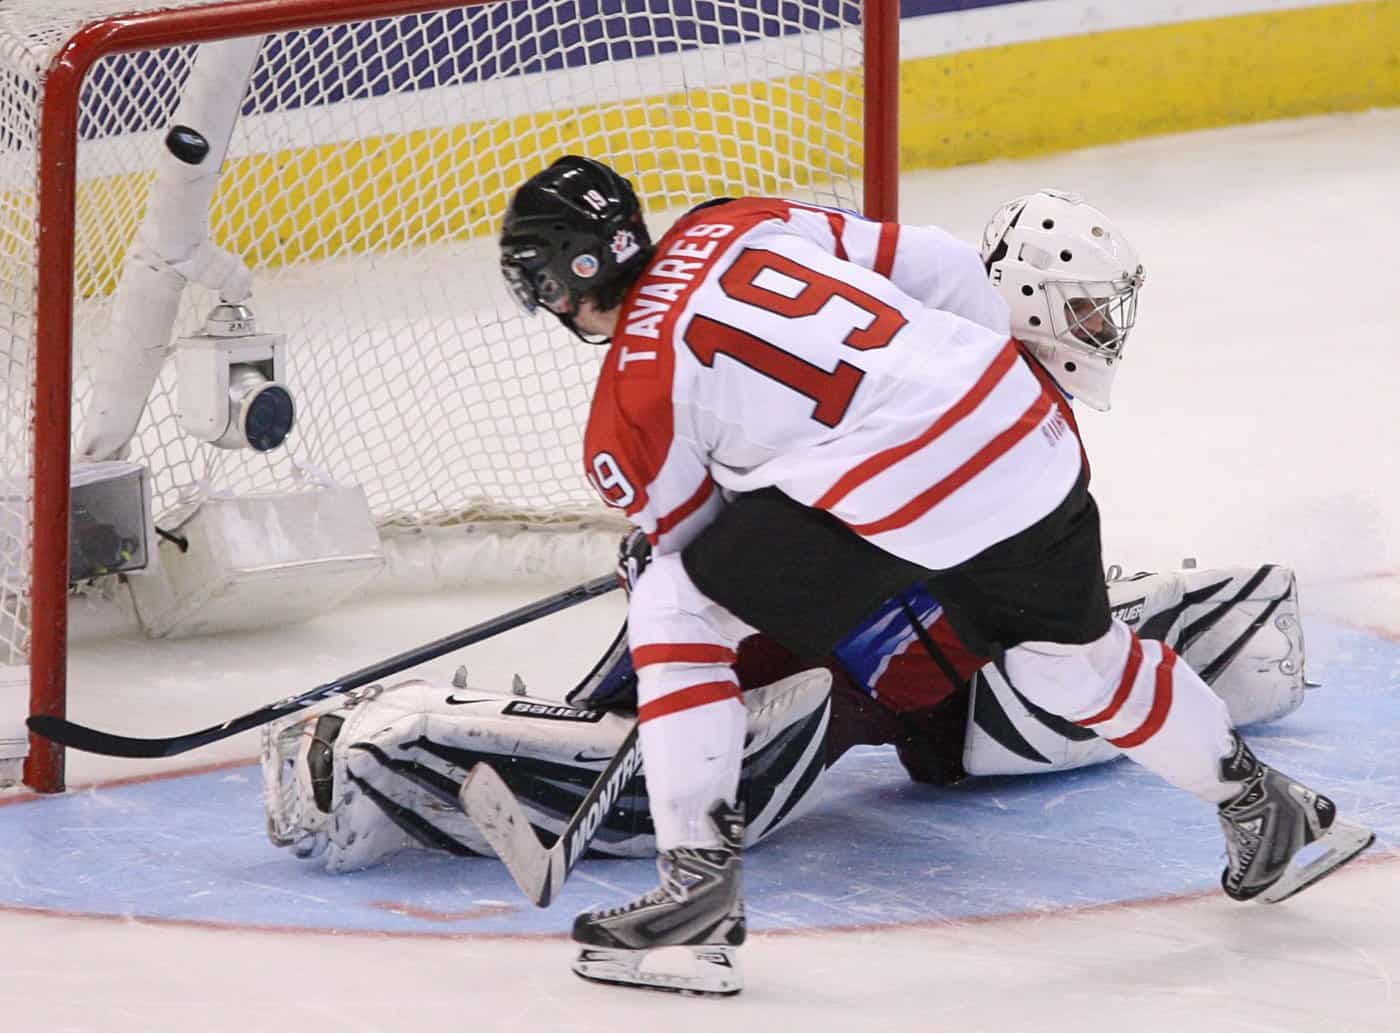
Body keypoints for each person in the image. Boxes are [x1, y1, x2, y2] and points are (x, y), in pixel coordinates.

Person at [491, 156, 1373, 996]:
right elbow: (946, 264)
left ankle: (695, 897)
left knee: (677, 605)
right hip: (1024, 422)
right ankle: (1265, 808)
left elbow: (704, 545)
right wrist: (962, 395)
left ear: (553, 285)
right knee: (1076, 663)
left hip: (897, 489)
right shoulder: (733, 222)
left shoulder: (625, 406)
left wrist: (658, 549)